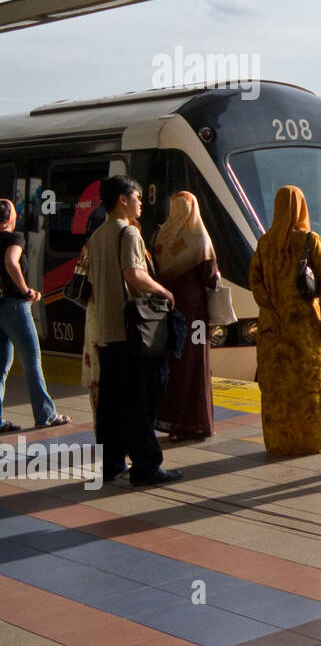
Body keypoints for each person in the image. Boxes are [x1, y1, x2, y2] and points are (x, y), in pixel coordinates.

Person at [82, 176, 181, 486]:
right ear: (122, 199)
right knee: (140, 402)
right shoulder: (128, 233)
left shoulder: (97, 236)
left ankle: (111, 463)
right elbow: (134, 274)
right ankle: (147, 466)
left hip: (107, 331)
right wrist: (163, 291)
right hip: (132, 332)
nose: (141, 202)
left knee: (111, 404)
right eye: (137, 197)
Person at [249, 186, 321, 457]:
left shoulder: (264, 243)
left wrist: (269, 309)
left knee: (276, 389)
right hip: (304, 332)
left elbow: (254, 282)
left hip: (272, 331)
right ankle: (307, 443)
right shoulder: (310, 241)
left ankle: (278, 442)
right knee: (306, 390)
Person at [0, 199, 71, 432]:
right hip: (15, 307)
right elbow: (11, 262)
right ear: (11, 218)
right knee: (32, 360)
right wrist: (26, 290)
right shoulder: (15, 238)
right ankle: (46, 415)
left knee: (1, 366)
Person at [153, 192, 218, 440]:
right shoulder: (198, 235)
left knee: (174, 360)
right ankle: (195, 422)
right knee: (196, 359)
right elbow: (210, 275)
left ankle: (171, 421)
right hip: (194, 308)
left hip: (167, 305)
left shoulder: (161, 236)